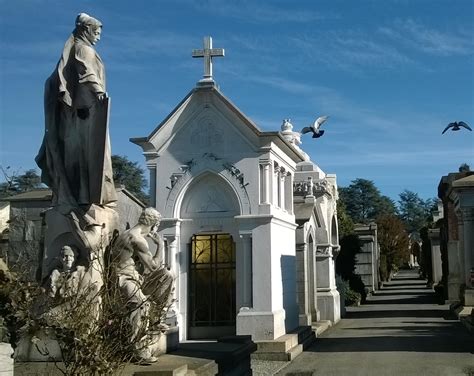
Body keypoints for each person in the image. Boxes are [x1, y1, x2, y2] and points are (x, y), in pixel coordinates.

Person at [36, 13, 116, 209]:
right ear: (85, 30)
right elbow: (86, 71)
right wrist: (99, 91)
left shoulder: (75, 48)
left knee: (79, 155)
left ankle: (80, 194)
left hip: (77, 113)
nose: (98, 37)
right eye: (96, 32)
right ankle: (85, 195)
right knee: (90, 154)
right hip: (85, 111)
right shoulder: (83, 49)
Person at [111, 207, 173, 362]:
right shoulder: (137, 239)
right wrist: (159, 245)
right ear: (154, 225)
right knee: (140, 303)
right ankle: (138, 350)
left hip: (134, 278)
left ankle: (156, 318)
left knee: (167, 276)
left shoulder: (129, 234)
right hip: (124, 279)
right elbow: (153, 266)